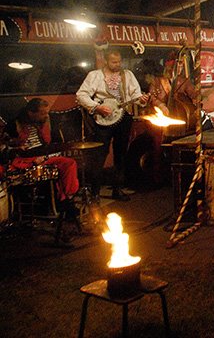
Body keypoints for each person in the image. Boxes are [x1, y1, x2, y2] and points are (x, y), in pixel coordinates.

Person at [76, 49, 149, 200]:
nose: (117, 64)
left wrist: (141, 99)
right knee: (99, 154)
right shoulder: (95, 75)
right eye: (114, 62)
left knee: (120, 154)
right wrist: (97, 107)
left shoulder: (127, 75)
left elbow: (135, 95)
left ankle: (118, 189)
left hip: (123, 118)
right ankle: (95, 192)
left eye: (119, 61)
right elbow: (81, 95)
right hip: (103, 119)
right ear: (105, 61)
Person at [5, 98, 81, 243]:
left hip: (42, 156)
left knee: (69, 164)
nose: (46, 116)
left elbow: (50, 144)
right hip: (25, 159)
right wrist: (17, 148)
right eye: (42, 113)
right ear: (30, 113)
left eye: (47, 113)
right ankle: (66, 206)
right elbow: (5, 147)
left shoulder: (45, 123)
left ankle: (66, 199)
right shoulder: (14, 124)